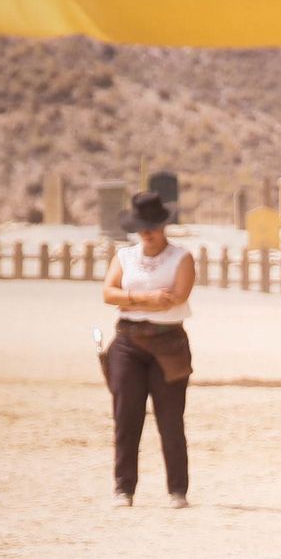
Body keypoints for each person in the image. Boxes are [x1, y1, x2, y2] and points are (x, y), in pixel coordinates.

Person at [101, 191, 195, 509]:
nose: (147, 233)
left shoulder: (181, 258)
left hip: (168, 343)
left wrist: (131, 296)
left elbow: (179, 295)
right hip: (129, 341)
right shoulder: (125, 256)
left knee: (170, 419)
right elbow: (108, 292)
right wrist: (148, 299)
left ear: (163, 226)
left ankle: (177, 489)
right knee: (126, 416)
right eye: (142, 227)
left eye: (152, 226)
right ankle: (123, 487)